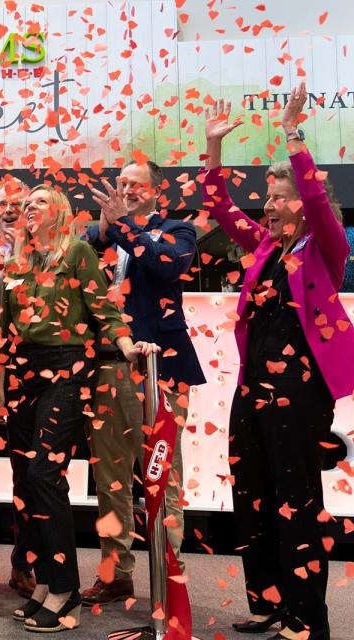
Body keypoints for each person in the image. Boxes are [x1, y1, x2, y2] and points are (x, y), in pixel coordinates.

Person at [202, 84, 353, 640]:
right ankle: (267, 601)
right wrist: (214, 152)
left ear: (306, 201)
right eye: (267, 194)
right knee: (252, 494)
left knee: (297, 501)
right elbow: (219, 206)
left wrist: (292, 132)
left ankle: (308, 618)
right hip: (251, 386)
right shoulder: (263, 247)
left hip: (302, 389)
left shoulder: (325, 246)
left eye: (280, 193)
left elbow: (314, 197)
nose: (269, 203)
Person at [0, 186, 156, 633]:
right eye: (27, 203)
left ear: (59, 212)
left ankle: (67, 594)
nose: (30, 207)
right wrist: (2, 379)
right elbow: (6, 326)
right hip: (23, 369)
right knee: (26, 480)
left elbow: (104, 307)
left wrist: (126, 345)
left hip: (66, 367)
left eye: (40, 201)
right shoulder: (16, 259)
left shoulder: (79, 250)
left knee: (46, 474)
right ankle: (45, 581)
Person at [82, 157, 206, 604]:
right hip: (107, 365)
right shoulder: (98, 238)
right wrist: (103, 229)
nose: (127, 190)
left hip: (159, 367)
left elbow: (167, 266)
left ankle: (170, 582)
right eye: (120, 183)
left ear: (155, 190)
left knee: (161, 474)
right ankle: (117, 573)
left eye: (135, 184)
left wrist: (122, 228)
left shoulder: (178, 229)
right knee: (110, 477)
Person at [0, 175, 37, 599]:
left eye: (15, 203)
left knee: (29, 474)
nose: (7, 208)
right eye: (1, 202)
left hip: (29, 374)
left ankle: (26, 563)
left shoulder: (46, 252)